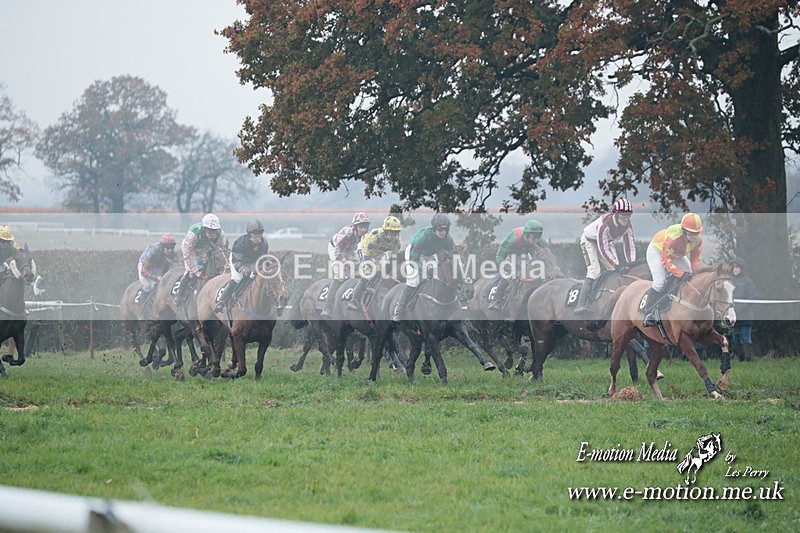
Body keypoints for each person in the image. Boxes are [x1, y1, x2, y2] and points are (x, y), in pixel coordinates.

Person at [574, 198, 636, 315]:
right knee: (594, 271)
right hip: (589, 241)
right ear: (615, 214)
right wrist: (616, 265)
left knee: (612, 271)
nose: (625, 218)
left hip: (606, 240)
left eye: (628, 215)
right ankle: (581, 304)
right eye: (622, 215)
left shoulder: (628, 225)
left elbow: (630, 245)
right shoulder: (605, 224)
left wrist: (630, 263)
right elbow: (603, 248)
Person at [641, 213, 703, 327]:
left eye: (696, 233)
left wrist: (693, 273)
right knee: (660, 282)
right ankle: (648, 312)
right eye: (691, 233)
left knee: (689, 274)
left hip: (677, 253)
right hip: (657, 251)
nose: (694, 236)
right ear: (684, 230)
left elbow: (695, 258)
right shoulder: (674, 238)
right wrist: (680, 273)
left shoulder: (698, 239)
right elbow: (665, 260)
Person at [392, 213, 454, 321]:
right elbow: (413, 260)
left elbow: (451, 255)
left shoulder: (448, 239)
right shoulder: (423, 237)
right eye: (440, 229)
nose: (442, 232)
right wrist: (425, 269)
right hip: (413, 254)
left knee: (437, 278)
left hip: (430, 254)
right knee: (413, 282)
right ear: (434, 228)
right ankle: (399, 311)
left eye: (445, 229)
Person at [321, 212, 371, 317]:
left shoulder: (365, 235)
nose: (364, 230)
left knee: (362, 267)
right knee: (340, 275)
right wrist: (345, 262)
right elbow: (338, 252)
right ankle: (327, 307)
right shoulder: (347, 233)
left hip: (348, 249)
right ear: (356, 226)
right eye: (362, 227)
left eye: (366, 227)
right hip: (335, 248)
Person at [489, 219, 546, 311]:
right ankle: (496, 300)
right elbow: (499, 256)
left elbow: (546, 256)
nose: (537, 240)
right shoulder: (514, 238)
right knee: (508, 276)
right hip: (512, 256)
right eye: (534, 237)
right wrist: (510, 270)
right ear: (527, 235)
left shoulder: (542, 241)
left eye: (539, 236)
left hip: (527, 256)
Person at [347, 215, 402, 311]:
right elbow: (368, 255)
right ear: (385, 231)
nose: (392, 236)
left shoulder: (397, 241)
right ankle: (353, 300)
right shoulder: (376, 235)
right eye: (390, 232)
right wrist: (374, 267)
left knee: (383, 270)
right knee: (368, 272)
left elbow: (394, 257)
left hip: (378, 252)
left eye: (395, 233)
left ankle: (375, 287)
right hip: (365, 250)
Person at [214, 219, 269, 313]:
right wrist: (246, 272)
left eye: (259, 235)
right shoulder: (240, 243)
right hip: (238, 261)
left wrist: (259, 269)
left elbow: (262, 260)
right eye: (255, 235)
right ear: (249, 235)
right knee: (238, 278)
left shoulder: (264, 244)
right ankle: (222, 301)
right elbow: (237, 262)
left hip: (253, 262)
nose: (258, 239)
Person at [173, 213, 229, 306]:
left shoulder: (221, 235)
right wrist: (195, 270)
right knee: (190, 272)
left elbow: (222, 251)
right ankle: (179, 295)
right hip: (192, 249)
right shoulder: (194, 233)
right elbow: (187, 253)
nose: (212, 233)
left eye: (214, 230)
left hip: (207, 248)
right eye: (209, 230)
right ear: (204, 228)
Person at [729, 257, 757, 361]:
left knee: (746, 336)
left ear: (742, 269)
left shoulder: (748, 282)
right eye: (734, 267)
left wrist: (742, 308)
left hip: (746, 315)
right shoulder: (730, 281)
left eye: (737, 267)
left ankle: (748, 358)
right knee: (735, 337)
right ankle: (740, 358)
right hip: (734, 314)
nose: (735, 269)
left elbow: (753, 297)